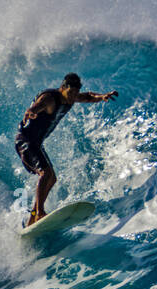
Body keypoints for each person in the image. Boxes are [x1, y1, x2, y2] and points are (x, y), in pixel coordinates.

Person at [15, 73, 117, 227]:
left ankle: (33, 217)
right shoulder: (50, 98)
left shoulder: (70, 97)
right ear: (63, 87)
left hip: (36, 143)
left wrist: (101, 97)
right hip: (25, 141)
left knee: (52, 178)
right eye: (71, 93)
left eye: (75, 93)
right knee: (46, 173)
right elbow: (38, 105)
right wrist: (32, 111)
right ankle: (40, 211)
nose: (72, 97)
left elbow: (88, 96)